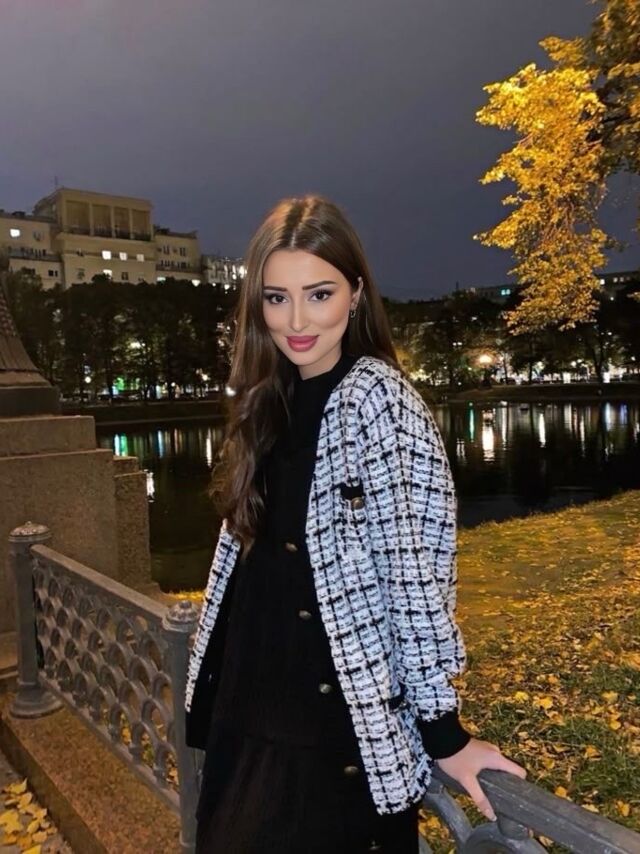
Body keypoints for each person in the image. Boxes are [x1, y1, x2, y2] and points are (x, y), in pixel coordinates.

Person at [184, 194, 527, 853]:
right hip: (248, 715)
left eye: (319, 294)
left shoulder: (378, 399)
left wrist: (443, 731)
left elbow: (414, 575)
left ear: (357, 294)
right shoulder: (269, 398)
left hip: (332, 731)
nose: (297, 320)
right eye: (277, 298)